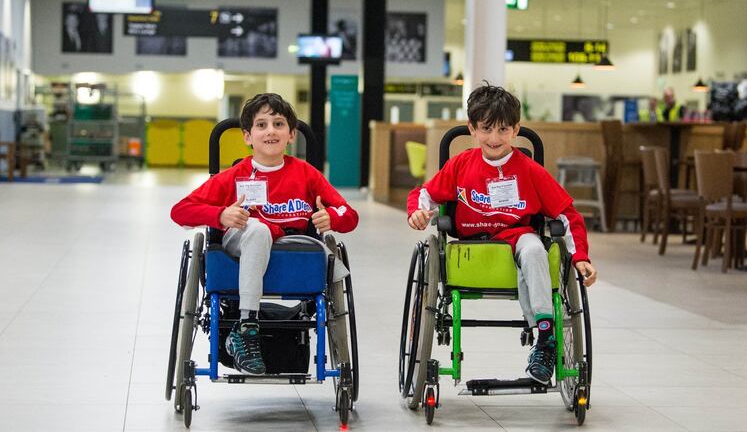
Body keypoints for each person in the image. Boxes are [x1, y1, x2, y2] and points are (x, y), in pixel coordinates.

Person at [406, 83, 597, 384]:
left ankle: (545, 339)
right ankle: (543, 336)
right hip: (470, 245)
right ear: (472, 128)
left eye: (503, 130)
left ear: (516, 129)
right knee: (528, 248)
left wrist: (580, 257)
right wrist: (417, 213)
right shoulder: (460, 165)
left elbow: (566, 214)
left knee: (535, 249)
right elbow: (426, 194)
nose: (494, 139)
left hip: (517, 237)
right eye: (486, 129)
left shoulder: (531, 170)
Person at [170, 93, 359, 375]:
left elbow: (350, 215)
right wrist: (220, 215)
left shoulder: (306, 174)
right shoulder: (234, 176)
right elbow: (180, 210)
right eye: (261, 125)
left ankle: (247, 328)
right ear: (248, 136)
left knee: (303, 244)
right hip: (241, 242)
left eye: (279, 124)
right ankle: (247, 327)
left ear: (291, 134)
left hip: (291, 252)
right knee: (257, 229)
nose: (270, 130)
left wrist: (330, 217)